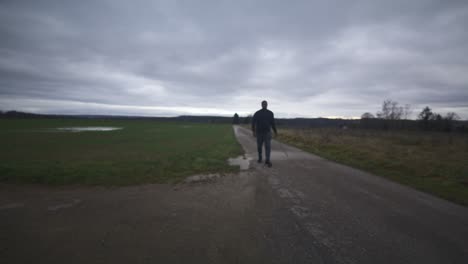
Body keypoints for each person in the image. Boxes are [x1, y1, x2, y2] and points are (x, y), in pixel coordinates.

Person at [251, 100, 277, 167]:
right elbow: (253, 123)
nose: (264, 105)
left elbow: (273, 123)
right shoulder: (257, 113)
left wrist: (275, 132)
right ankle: (260, 158)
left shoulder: (270, 113)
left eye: (265, 104)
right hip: (259, 133)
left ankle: (267, 160)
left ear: (267, 105)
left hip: (267, 133)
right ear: (261, 105)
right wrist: (253, 131)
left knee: (268, 147)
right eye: (263, 104)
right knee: (259, 147)